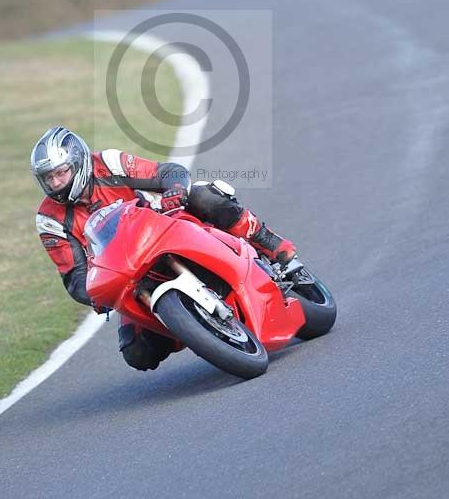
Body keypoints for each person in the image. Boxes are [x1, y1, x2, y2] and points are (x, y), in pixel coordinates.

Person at [31, 126, 296, 371]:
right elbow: (74, 276)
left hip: (162, 227)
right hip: (128, 274)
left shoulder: (108, 164)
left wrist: (176, 191)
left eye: (60, 173)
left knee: (203, 196)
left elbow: (168, 173)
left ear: (78, 163)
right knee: (136, 353)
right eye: (48, 178)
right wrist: (95, 295)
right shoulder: (49, 219)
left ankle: (271, 245)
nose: (56, 184)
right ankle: (194, 326)